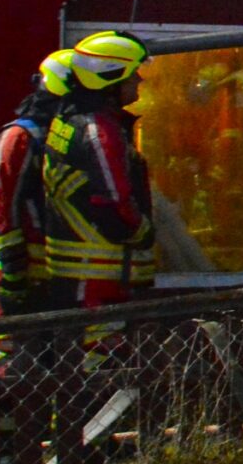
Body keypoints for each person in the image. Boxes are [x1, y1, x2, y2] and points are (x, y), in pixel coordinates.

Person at [38, 30, 156, 307]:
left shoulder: (69, 119)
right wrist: (143, 233)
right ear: (111, 77)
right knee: (105, 338)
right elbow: (114, 201)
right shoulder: (99, 130)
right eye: (133, 73)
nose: (139, 79)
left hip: (76, 278)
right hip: (99, 283)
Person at [0, 50, 75, 316]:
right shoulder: (22, 136)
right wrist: (13, 268)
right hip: (25, 272)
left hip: (66, 273)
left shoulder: (79, 134)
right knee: (15, 338)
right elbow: (1, 202)